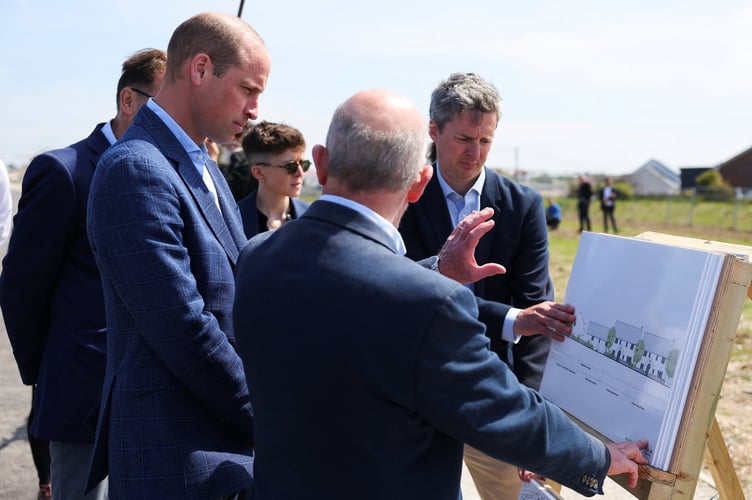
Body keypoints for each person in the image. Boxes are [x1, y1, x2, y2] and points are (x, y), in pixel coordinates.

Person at [232, 88, 648, 500]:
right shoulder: (431, 303)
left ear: (320, 163)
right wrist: (597, 457)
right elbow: (499, 409)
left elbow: (352, 292)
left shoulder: (257, 257)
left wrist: (435, 271)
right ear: (418, 184)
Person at [85, 13, 270, 499]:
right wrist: (272, 418)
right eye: (248, 90)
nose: (255, 109)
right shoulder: (135, 168)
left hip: (221, 456)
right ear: (201, 68)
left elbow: (246, 291)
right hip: (175, 463)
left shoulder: (201, 163)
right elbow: (185, 329)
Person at [398, 72, 575, 500]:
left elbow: (538, 314)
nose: (474, 153)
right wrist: (513, 319)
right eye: (463, 139)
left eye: (485, 141)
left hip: (495, 391)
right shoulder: (401, 197)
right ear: (433, 130)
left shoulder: (523, 205)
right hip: (414, 392)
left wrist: (531, 415)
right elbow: (403, 293)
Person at [0, 48, 166, 500]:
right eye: (163, 108)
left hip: (155, 401)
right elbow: (21, 286)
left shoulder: (171, 173)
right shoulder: (65, 171)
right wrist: (50, 369)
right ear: (129, 100)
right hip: (81, 397)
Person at [237, 121, 310, 238]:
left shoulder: (312, 217)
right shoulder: (233, 220)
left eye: (304, 164)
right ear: (258, 172)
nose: (300, 173)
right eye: (290, 166)